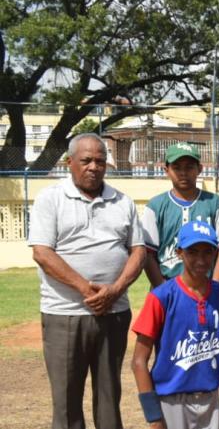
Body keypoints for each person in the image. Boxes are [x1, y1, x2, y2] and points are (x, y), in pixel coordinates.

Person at [28, 133, 146, 429]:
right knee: (67, 401)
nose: (94, 166)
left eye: (100, 161)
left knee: (109, 396)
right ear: (70, 163)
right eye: (86, 160)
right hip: (65, 315)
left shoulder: (122, 201)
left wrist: (114, 290)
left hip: (114, 313)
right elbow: (42, 253)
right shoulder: (50, 198)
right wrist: (86, 289)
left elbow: (138, 251)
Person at [130, 221, 219, 429]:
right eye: (192, 252)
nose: (201, 260)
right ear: (179, 253)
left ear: (215, 254)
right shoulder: (162, 297)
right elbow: (139, 361)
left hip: (210, 400)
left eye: (207, 252)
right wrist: (154, 417)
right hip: (170, 401)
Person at [142, 142, 219, 286]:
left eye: (189, 167)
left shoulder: (214, 203)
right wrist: (162, 291)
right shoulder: (155, 206)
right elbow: (148, 254)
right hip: (167, 285)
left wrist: (215, 288)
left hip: (205, 288)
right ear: (166, 170)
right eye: (176, 167)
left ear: (200, 169)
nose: (183, 173)